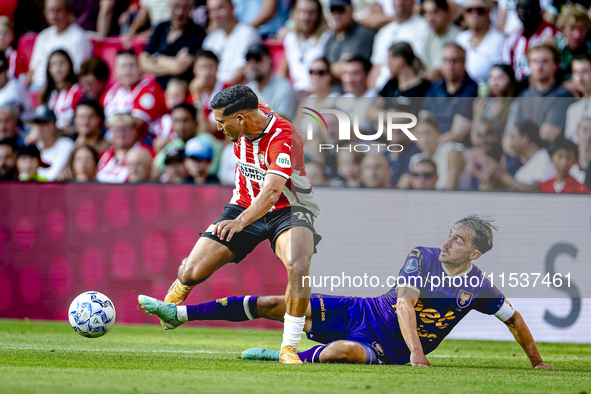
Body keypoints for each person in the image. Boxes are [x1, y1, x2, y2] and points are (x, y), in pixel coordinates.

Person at [138, 215, 558, 370]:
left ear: (476, 252)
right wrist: (419, 352)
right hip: (364, 310)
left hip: (386, 348)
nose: (448, 243)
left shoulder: (478, 288)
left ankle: (287, 358)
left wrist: (537, 362)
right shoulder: (422, 256)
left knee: (342, 352)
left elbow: (514, 319)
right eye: (450, 236)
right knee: (275, 303)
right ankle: (179, 314)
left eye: (459, 241)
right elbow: (405, 305)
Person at [148, 85, 322, 364]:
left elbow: (272, 192)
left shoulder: (282, 136)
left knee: (298, 265)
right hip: (243, 203)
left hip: (289, 209)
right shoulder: (251, 110)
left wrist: (240, 222)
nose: (218, 128)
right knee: (191, 272)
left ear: (241, 119)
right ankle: (172, 305)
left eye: (221, 121)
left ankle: (288, 347)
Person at [513, 45, 575, 143]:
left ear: (555, 65)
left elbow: (548, 137)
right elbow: (514, 130)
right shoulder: (525, 94)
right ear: (529, 65)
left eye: (545, 61)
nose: (539, 66)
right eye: (535, 61)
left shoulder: (563, 96)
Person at [139, 0, 206, 89]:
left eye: (185, 7)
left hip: (178, 90)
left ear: (191, 8)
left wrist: (155, 57)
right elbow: (142, 62)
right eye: (176, 6)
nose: (180, 12)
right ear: (169, 6)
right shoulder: (161, 27)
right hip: (156, 87)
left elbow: (179, 67)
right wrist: (173, 64)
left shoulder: (197, 33)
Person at [27, 0, 93, 90]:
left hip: (59, 89)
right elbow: (32, 70)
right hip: (36, 87)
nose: (54, 15)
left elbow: (77, 73)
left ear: (68, 12)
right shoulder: (43, 36)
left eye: (58, 11)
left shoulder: (78, 37)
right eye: (50, 11)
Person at [421, 44, 478, 145]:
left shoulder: (471, 90)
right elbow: (424, 119)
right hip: (430, 144)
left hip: (455, 147)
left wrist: (431, 143)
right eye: (446, 61)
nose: (450, 66)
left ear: (464, 62)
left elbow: (457, 134)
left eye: (455, 61)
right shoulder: (435, 86)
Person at [370, 0, 430, 90]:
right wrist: (373, 92)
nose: (400, 2)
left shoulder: (424, 27)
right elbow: (376, 68)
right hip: (382, 91)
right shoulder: (383, 32)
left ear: (413, 2)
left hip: (406, 89)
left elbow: (418, 66)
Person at [101, 50, 167, 131]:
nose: (127, 71)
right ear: (115, 70)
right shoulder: (110, 90)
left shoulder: (150, 89)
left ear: (140, 68)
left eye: (131, 66)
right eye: (123, 66)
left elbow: (136, 124)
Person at [202, 0, 261, 84]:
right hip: (216, 92)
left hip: (240, 92)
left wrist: (221, 92)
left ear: (232, 7)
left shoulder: (247, 33)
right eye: (211, 10)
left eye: (220, 8)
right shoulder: (210, 39)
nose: (215, 15)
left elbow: (241, 73)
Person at [402, 117, 465, 190]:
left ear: (438, 133)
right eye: (419, 134)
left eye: (428, 133)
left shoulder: (451, 151)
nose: (424, 139)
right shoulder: (416, 159)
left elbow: (451, 187)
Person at [502, 0, 558, 82]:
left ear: (538, 10)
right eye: (520, 8)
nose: (523, 12)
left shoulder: (553, 34)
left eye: (528, 8)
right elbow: (506, 69)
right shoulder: (513, 39)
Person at [492, 120, 557, 191]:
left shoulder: (543, 157)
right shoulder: (529, 162)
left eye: (513, 137)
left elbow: (538, 189)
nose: (510, 143)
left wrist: (503, 176)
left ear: (524, 139)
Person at [282, 0, 331, 92]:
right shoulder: (291, 38)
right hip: (296, 93)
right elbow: (282, 71)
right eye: (301, 11)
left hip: (318, 94)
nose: (306, 17)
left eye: (311, 13)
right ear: (295, 13)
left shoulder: (327, 37)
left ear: (318, 15)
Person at [455, 0, 505, 84]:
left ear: (489, 13)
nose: (474, 14)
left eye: (480, 10)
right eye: (469, 10)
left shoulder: (498, 39)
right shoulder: (460, 38)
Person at [323, 0, 375, 81]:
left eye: (340, 9)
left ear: (351, 10)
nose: (337, 15)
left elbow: (352, 71)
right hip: (332, 92)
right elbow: (321, 68)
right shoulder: (331, 38)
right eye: (333, 9)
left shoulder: (363, 34)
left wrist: (327, 71)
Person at [244, 43, 295, 120]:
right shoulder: (247, 89)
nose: (252, 63)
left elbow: (281, 126)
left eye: (257, 58)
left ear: (269, 60)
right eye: (248, 59)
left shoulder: (284, 88)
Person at [379, 43, 431, 115]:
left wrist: (383, 116)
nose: (387, 65)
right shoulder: (391, 83)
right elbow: (370, 109)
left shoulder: (424, 87)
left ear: (399, 61)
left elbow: (414, 118)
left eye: (389, 60)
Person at [96, 112, 148, 183]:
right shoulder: (103, 155)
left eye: (125, 129)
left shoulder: (145, 155)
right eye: (116, 130)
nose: (121, 134)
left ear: (134, 131)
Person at [40, 50, 83, 132]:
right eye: (53, 64)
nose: (58, 69)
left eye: (62, 63)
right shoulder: (47, 94)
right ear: (48, 69)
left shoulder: (77, 90)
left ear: (70, 65)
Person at [28, 104, 74, 181]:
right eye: (36, 123)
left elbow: (54, 175)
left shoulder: (66, 145)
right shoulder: (35, 147)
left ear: (54, 125)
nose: (39, 127)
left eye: (44, 123)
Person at [421, 0, 461, 81]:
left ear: (446, 12)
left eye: (435, 12)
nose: (430, 18)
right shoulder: (428, 34)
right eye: (426, 13)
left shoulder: (458, 37)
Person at [552, 5, 591, 82]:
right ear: (562, 29)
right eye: (572, 29)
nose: (577, 35)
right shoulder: (554, 48)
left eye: (581, 30)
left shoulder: (589, 50)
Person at [565, 55, 591, 142]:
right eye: (576, 72)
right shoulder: (573, 109)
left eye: (585, 71)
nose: (580, 77)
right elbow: (570, 140)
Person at [0, 52, 30, 117]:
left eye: (0, 69)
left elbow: (9, 116)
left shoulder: (15, 88)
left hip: (22, 125)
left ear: (6, 70)